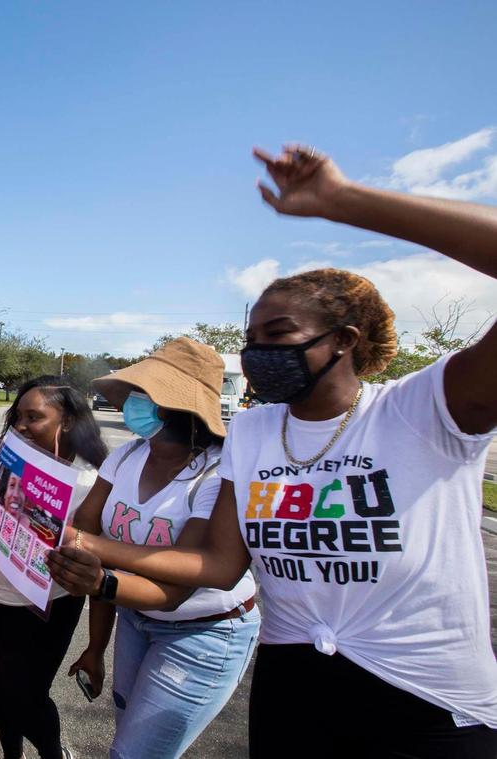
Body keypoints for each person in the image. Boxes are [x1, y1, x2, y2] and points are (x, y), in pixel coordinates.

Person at [50, 144, 497, 757]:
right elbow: (217, 565)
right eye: (250, 339)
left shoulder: (424, 409)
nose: (258, 352)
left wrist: (345, 201)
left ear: (343, 341)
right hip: (292, 686)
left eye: (278, 336)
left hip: (424, 698)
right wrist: (93, 552)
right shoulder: (256, 432)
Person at [53, 337, 259, 759]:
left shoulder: (218, 475)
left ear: (179, 407)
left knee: (135, 754)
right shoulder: (126, 457)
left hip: (205, 630)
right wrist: (95, 647)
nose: (133, 404)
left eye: (145, 396)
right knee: (127, 728)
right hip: (136, 620)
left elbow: (172, 591)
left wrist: (100, 571)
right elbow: (90, 549)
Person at [0, 376, 107, 759]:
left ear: (67, 420)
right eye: (18, 415)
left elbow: (93, 557)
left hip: (45, 605)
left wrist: (98, 646)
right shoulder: (11, 448)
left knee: (26, 695)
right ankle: (11, 754)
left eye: (33, 417)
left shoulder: (93, 480)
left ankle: (53, 752)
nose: (20, 425)